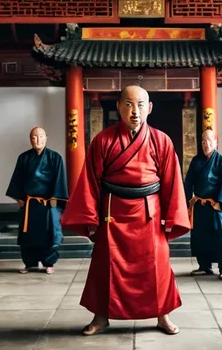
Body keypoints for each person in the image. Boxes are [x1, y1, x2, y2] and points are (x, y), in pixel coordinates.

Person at [62, 86, 190, 336]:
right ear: (118, 106)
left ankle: (162, 315)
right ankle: (101, 317)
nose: (135, 112)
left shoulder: (161, 141)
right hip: (113, 213)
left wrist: (171, 217)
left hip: (149, 215)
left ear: (150, 108)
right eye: (129, 104)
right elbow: (90, 181)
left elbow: (172, 183)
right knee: (104, 265)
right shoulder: (103, 141)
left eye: (141, 105)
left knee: (158, 265)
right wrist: (91, 218)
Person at [6, 126, 68, 275]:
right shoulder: (24, 158)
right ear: (30, 140)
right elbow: (17, 180)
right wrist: (20, 199)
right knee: (29, 235)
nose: (37, 139)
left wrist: (54, 204)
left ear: (46, 138)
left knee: (50, 234)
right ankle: (30, 263)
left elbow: (60, 181)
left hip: (48, 203)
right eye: (34, 137)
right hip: (30, 203)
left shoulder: (55, 158)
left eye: (40, 136)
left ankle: (49, 262)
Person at [184, 129, 222, 280]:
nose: (207, 144)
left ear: (216, 142)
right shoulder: (196, 161)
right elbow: (188, 183)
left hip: (216, 206)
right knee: (201, 237)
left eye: (210, 141)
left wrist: (220, 204)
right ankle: (204, 266)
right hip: (200, 205)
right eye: (204, 141)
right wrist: (188, 200)